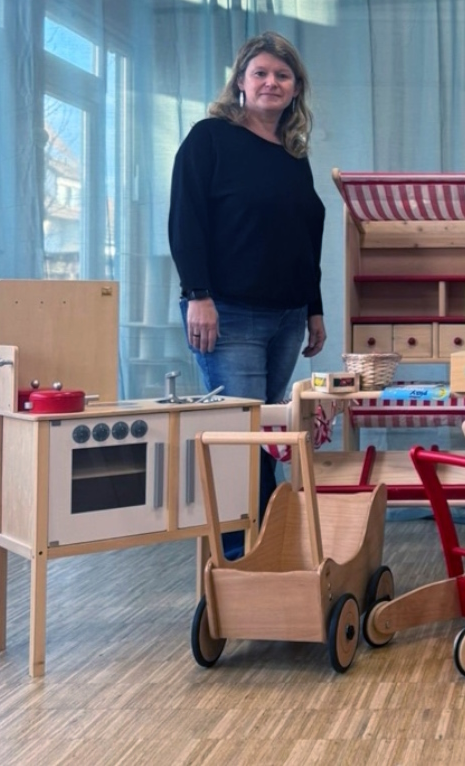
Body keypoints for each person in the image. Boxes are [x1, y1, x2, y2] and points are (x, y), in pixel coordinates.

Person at [168, 31, 327, 551]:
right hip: (228, 313)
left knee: (264, 436)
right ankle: (240, 561)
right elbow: (185, 221)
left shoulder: (293, 154)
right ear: (240, 81)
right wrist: (197, 295)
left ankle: (269, 549)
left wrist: (314, 309)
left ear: (296, 87)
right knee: (241, 438)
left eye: (282, 75)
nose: (271, 82)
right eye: (260, 73)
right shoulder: (209, 138)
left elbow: (306, 238)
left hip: (287, 316)